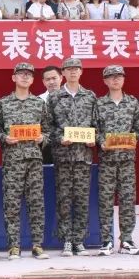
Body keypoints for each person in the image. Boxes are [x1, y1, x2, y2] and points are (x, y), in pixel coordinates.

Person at [0, 62, 51, 259]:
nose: (25, 77)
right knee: (11, 203)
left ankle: (37, 244)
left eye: (29, 74)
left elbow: (48, 131)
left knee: (36, 202)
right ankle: (14, 246)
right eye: (21, 74)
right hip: (13, 160)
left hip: (34, 160)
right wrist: (4, 138)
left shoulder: (39, 103)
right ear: (13, 77)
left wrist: (43, 138)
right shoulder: (3, 103)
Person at [49, 57, 97, 257]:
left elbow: (97, 123)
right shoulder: (54, 97)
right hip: (63, 156)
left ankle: (79, 240)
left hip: (83, 156)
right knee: (64, 199)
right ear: (63, 74)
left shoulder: (90, 96)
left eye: (76, 69)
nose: (72, 72)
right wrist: (60, 138)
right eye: (68, 69)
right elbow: (48, 126)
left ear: (81, 72)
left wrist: (94, 138)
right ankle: (67, 240)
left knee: (82, 199)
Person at [94, 65, 139, 255]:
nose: (115, 80)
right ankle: (106, 240)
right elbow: (94, 128)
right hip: (107, 160)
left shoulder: (132, 102)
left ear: (124, 79)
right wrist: (100, 142)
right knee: (105, 200)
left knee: (127, 200)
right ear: (105, 81)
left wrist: (133, 138)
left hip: (127, 160)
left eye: (119, 77)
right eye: (111, 77)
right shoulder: (99, 104)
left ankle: (127, 240)